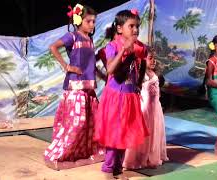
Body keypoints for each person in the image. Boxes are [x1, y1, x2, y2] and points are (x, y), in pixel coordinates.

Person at [44, 3, 104, 170]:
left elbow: (90, 64)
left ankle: (83, 153)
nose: (92, 25)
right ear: (79, 21)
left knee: (92, 122)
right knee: (76, 122)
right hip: (76, 87)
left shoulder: (90, 40)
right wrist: (66, 66)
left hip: (89, 87)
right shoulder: (73, 36)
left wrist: (102, 76)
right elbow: (53, 47)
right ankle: (64, 154)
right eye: (89, 21)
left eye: (93, 21)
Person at [94, 9, 149, 178]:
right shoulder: (111, 47)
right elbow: (110, 68)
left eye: (137, 26)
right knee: (115, 133)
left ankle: (118, 167)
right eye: (131, 26)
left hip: (130, 97)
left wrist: (138, 83)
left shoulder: (138, 47)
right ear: (119, 29)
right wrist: (124, 50)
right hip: (115, 97)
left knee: (125, 133)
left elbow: (144, 60)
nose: (135, 30)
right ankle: (108, 169)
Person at [123, 47, 169, 169]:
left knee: (154, 132)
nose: (153, 61)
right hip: (145, 109)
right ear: (143, 60)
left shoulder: (155, 74)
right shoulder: (141, 74)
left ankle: (151, 156)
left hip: (155, 109)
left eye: (154, 58)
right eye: (150, 58)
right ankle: (139, 157)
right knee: (144, 134)